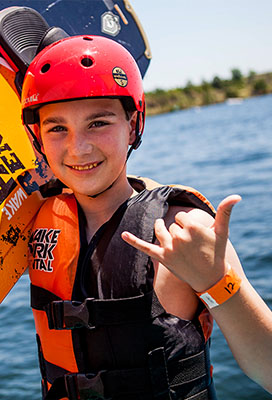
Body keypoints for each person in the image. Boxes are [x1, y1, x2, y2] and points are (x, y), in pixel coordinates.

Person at [20, 35, 272, 399]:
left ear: (133, 125)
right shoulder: (35, 219)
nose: (78, 147)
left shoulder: (181, 227)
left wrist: (216, 282)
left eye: (98, 123)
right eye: (57, 128)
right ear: (37, 138)